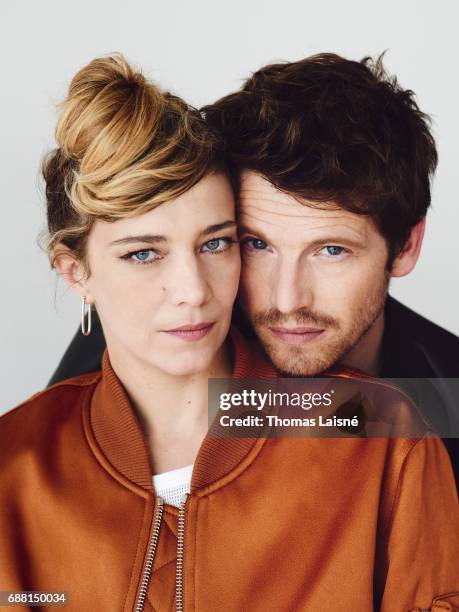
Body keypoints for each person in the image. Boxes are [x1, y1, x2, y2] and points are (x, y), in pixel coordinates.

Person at [1, 54, 458, 612]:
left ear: (406, 247)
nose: (287, 300)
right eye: (256, 244)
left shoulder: (397, 424)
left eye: (332, 250)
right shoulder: (50, 433)